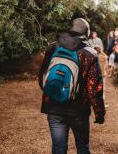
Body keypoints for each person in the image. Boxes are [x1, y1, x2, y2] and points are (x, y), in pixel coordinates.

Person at [38, 18, 105, 154]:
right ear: (86, 33)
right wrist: (99, 113)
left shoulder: (53, 47)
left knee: (58, 148)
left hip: (54, 108)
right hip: (78, 111)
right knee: (82, 148)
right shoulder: (89, 53)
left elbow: (42, 76)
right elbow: (94, 87)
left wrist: (54, 93)